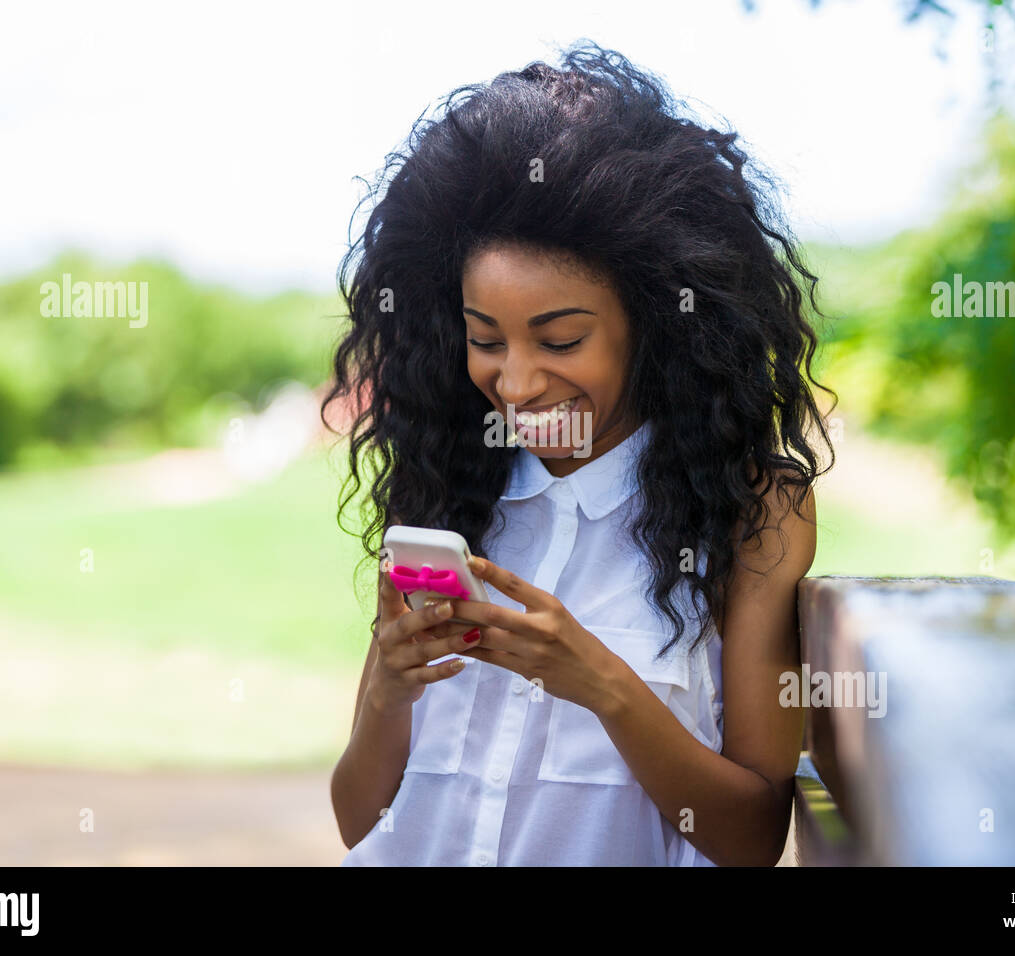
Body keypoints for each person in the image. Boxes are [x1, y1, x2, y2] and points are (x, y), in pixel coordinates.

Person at [324, 41, 833, 866]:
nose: (516, 383)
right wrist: (387, 688)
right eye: (484, 339)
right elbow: (360, 823)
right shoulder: (450, 494)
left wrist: (598, 681)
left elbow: (749, 838)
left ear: (657, 326)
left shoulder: (752, 511)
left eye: (560, 339)